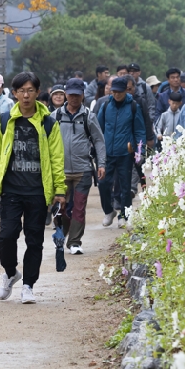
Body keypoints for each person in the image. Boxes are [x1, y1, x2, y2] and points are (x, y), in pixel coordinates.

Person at [0, 72, 65, 304]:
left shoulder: (49, 123)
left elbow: (57, 159)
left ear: (38, 93)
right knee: (6, 236)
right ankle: (10, 273)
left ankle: (28, 284)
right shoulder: (4, 120)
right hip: (11, 190)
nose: (26, 95)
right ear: (15, 93)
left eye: (30, 90)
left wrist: (59, 191)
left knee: (34, 240)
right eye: (21, 91)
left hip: (38, 191)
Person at [55, 78, 106, 254]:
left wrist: (101, 164)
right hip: (60, 171)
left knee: (78, 207)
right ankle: (63, 233)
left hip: (82, 170)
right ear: (65, 94)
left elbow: (99, 141)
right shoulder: (55, 116)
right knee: (60, 208)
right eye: (71, 94)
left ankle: (75, 242)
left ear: (83, 95)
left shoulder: (88, 117)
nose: (74, 98)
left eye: (77, 95)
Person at [98, 76, 150, 228]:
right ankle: (109, 211)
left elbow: (140, 130)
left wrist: (139, 151)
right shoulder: (106, 105)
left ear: (126, 90)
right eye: (114, 91)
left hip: (126, 153)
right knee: (103, 184)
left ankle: (124, 215)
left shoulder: (133, 106)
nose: (116, 94)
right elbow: (98, 128)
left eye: (119, 92)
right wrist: (96, 148)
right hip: (108, 153)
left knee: (125, 186)